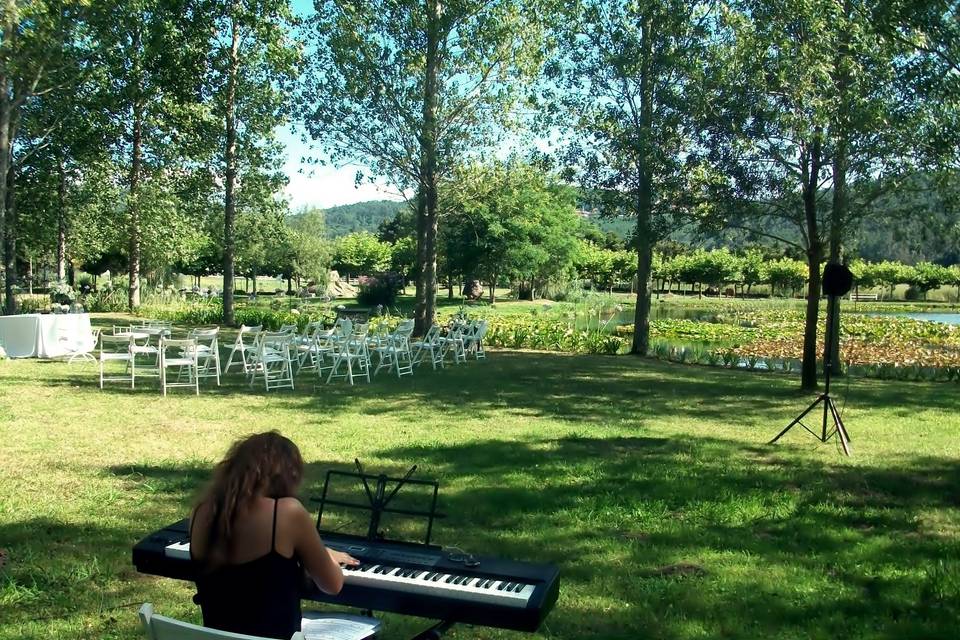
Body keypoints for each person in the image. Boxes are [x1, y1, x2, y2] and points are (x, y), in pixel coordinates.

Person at [189, 431, 358, 639]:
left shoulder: (202, 510)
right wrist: (327, 555)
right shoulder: (286, 512)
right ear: (288, 474)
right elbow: (332, 584)